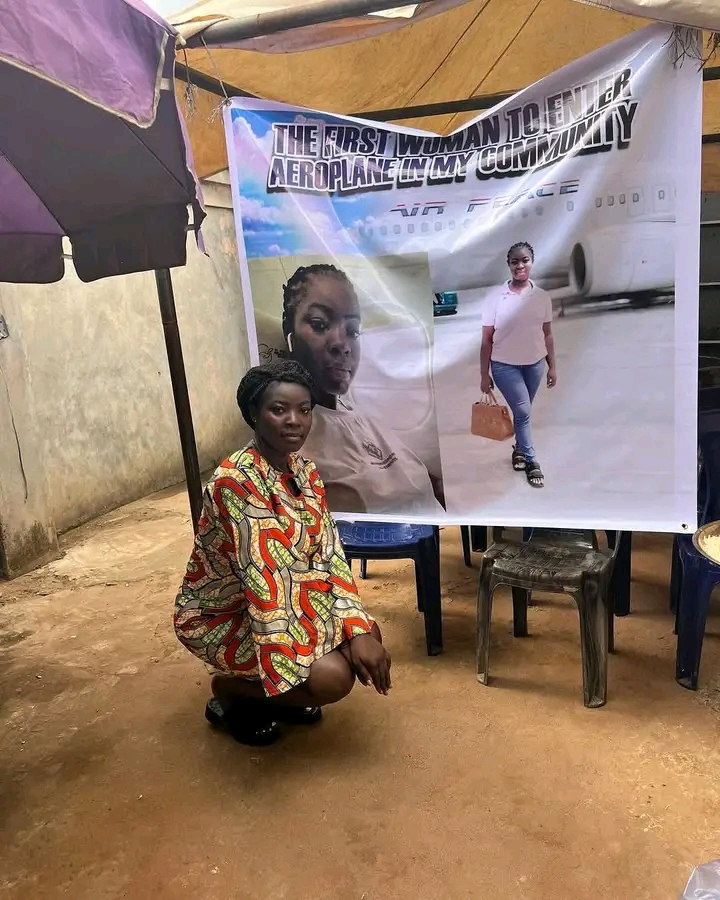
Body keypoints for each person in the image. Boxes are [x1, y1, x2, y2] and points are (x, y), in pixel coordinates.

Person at [173, 360, 391, 747]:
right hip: (228, 614)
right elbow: (268, 585)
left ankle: (282, 691)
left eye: (304, 410)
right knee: (334, 678)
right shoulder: (234, 482)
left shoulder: (305, 472)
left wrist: (355, 630)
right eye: (278, 410)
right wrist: (332, 643)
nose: (294, 420)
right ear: (253, 413)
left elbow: (330, 556)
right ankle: (229, 692)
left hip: (296, 600)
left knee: (368, 633)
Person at [282, 262, 445, 514]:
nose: (341, 343)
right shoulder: (296, 434)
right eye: (320, 323)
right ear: (290, 337)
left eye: (352, 331)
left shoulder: (349, 408)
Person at [480, 242, 557, 488]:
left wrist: (552, 365)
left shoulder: (542, 297)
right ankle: (532, 460)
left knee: (522, 412)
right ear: (509, 265)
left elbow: (547, 334)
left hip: (534, 365)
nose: (520, 265)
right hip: (504, 366)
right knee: (523, 412)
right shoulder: (496, 299)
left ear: (532, 262)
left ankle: (519, 451)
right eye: (515, 261)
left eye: (524, 260)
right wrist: (484, 374)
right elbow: (486, 340)